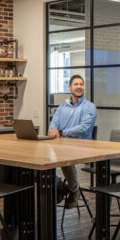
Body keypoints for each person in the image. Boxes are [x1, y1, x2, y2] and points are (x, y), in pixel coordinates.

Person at [48, 74, 97, 208]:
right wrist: (53, 130)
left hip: (81, 147)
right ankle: (59, 186)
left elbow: (83, 127)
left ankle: (74, 191)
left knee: (65, 155)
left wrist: (62, 132)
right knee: (37, 156)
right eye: (76, 84)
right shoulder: (62, 107)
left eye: (81, 84)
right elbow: (53, 124)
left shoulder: (89, 107)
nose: (79, 87)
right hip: (61, 145)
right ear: (70, 88)